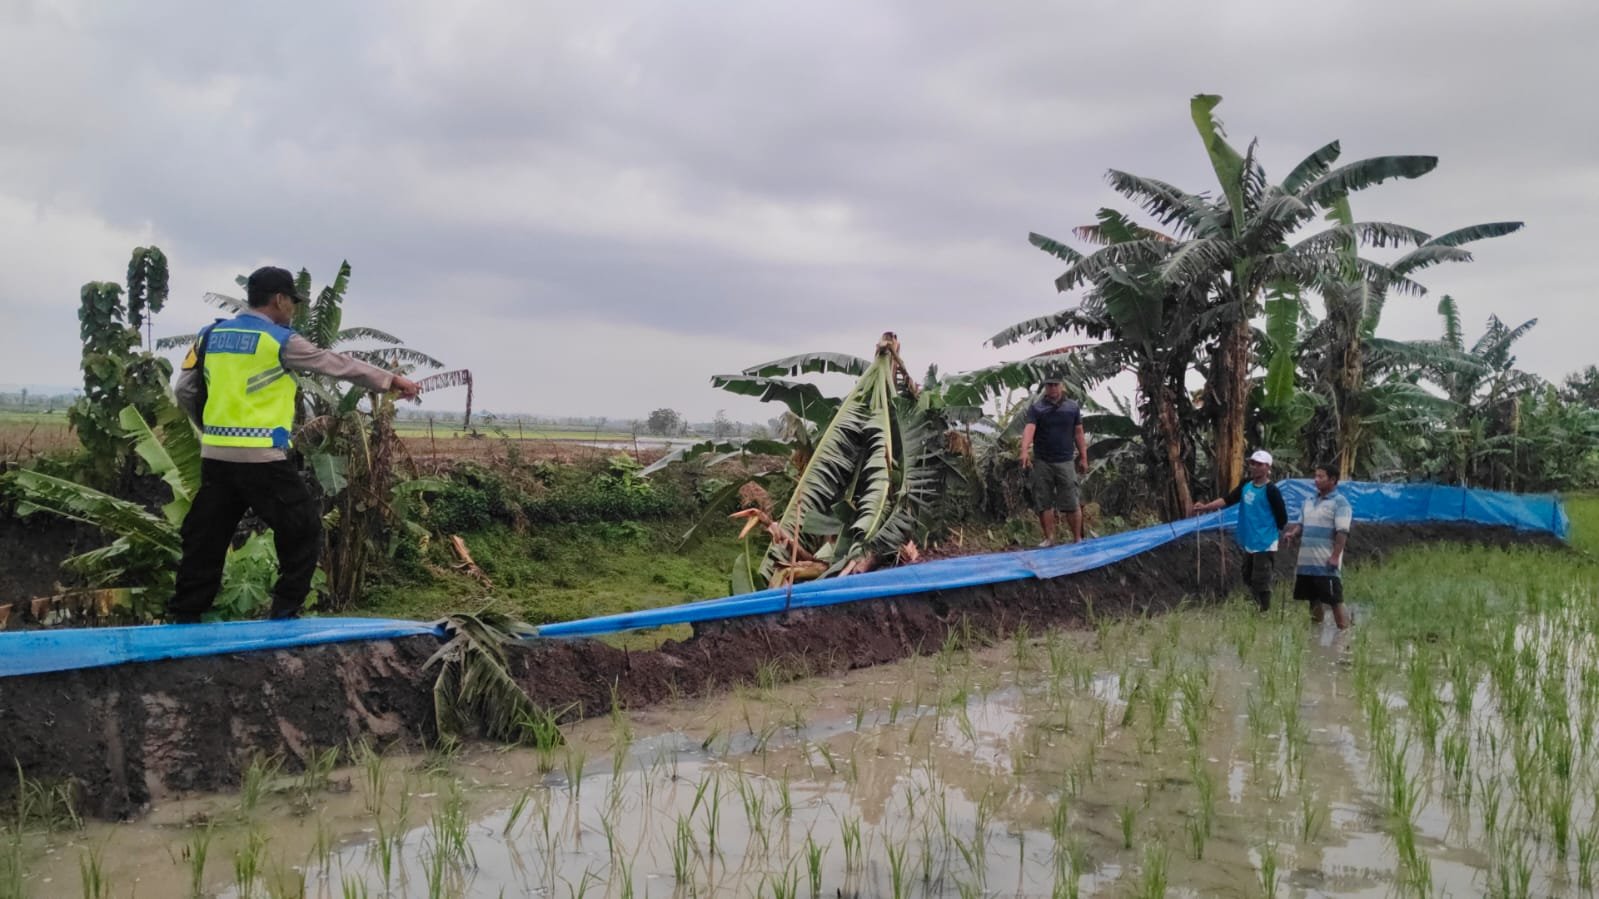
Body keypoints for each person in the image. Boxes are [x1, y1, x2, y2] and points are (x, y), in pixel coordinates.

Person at [167, 266, 422, 623]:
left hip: (216, 456)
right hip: (262, 459)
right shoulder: (279, 340)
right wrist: (390, 380)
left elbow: (184, 390)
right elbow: (336, 364)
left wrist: (210, 428)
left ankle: (185, 615)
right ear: (279, 299)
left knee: (206, 536)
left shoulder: (209, 335)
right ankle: (284, 612)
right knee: (302, 530)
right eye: (292, 302)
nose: (294, 309)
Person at [1191, 449, 1288, 611]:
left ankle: (1263, 610)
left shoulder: (1271, 490)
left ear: (1267, 467)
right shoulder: (1246, 485)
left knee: (1260, 577)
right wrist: (1206, 507)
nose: (1255, 467)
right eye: (1253, 464)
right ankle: (1255, 603)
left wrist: (1270, 531)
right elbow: (1228, 500)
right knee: (1247, 574)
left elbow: (1282, 517)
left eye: (1259, 464)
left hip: (1264, 541)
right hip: (1249, 538)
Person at [1284, 462, 1354, 629]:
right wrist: (1293, 534)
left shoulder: (1340, 503)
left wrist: (1335, 556)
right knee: (1312, 599)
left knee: (1335, 599)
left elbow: (1342, 532)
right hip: (1307, 562)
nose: (1316, 480)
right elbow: (1301, 524)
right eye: (1315, 476)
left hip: (1325, 562)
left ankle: (1344, 633)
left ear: (1333, 480)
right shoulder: (1308, 501)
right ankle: (1316, 634)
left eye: (1321, 477)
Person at [1019, 376, 1088, 546]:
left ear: (1062, 386)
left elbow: (1079, 433)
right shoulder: (1037, 408)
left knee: (1072, 501)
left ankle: (1077, 539)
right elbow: (1029, 429)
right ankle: (1049, 538)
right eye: (1049, 385)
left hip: (1066, 461)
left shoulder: (1072, 407)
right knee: (1044, 502)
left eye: (1055, 385)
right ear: (1045, 387)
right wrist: (1024, 451)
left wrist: (1084, 457)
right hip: (1042, 461)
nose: (1052, 388)